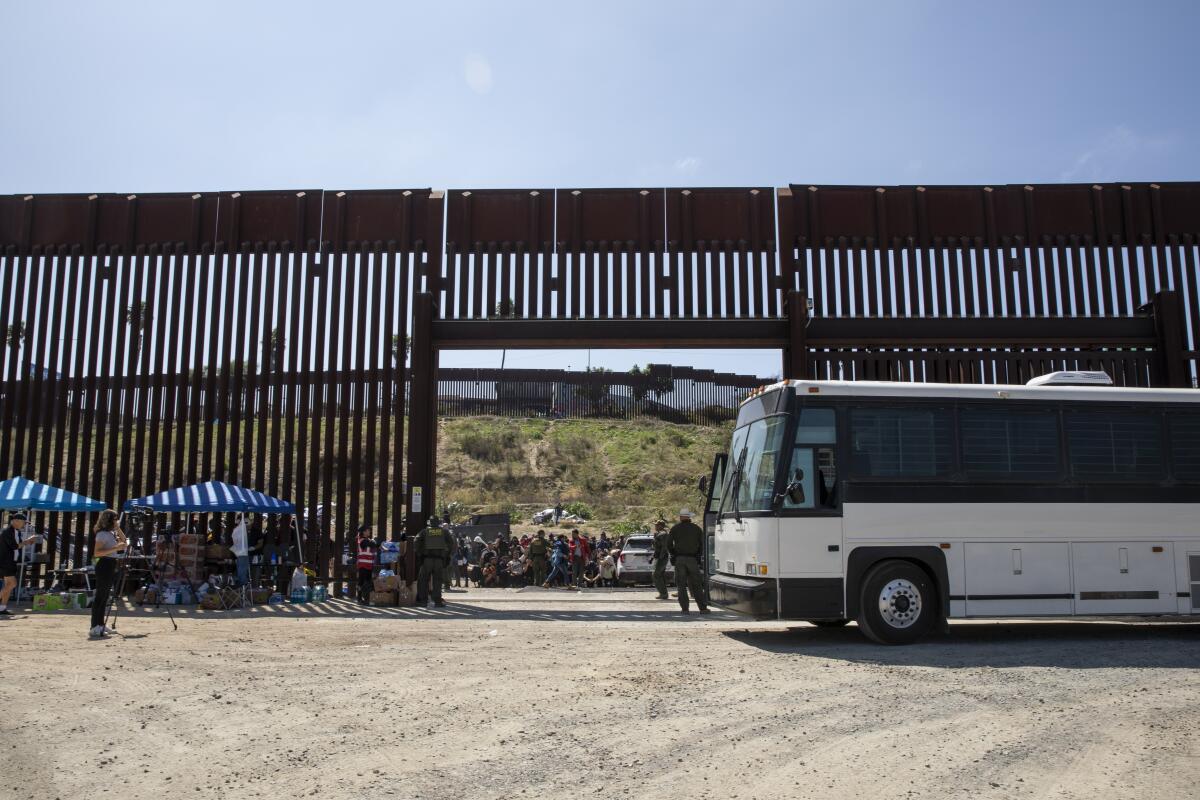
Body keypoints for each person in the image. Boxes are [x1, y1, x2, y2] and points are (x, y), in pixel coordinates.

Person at [89, 509, 128, 638]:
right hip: (103, 564)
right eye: (115, 519)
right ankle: (94, 626)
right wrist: (116, 548)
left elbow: (125, 541)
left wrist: (118, 528)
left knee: (106, 596)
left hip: (111, 563)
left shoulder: (111, 533)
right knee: (100, 596)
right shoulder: (101, 534)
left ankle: (101, 624)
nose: (116, 521)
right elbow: (97, 553)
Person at [667, 509, 708, 614]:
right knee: (697, 585)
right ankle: (702, 608)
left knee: (681, 586)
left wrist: (673, 554)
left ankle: (685, 609)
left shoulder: (675, 528)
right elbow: (702, 544)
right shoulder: (696, 529)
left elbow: (669, 544)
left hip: (679, 559)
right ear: (689, 517)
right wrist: (698, 555)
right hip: (693, 559)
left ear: (681, 517)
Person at [0, 513, 42, 616]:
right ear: (16, 521)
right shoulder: (8, 532)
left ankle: (2, 608)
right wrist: (28, 541)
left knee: (8, 585)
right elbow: (15, 546)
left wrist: (27, 542)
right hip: (5, 561)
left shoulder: (15, 532)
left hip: (9, 561)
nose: (24, 525)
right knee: (12, 584)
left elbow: (17, 545)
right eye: (23, 522)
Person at [414, 516, 449, 607]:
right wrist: (447, 555)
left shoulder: (425, 531)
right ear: (438, 522)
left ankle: (423, 601)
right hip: (439, 560)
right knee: (437, 581)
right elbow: (451, 543)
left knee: (423, 580)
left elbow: (416, 541)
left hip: (427, 560)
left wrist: (419, 553)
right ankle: (437, 601)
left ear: (429, 522)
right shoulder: (444, 532)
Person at [355, 524, 377, 605]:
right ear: (364, 532)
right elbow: (371, 544)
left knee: (368, 582)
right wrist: (377, 543)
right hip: (362, 565)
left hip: (369, 565)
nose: (369, 531)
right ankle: (359, 599)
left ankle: (366, 598)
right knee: (361, 582)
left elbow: (373, 545)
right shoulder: (362, 540)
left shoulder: (368, 540)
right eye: (368, 530)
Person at [651, 519, 670, 600]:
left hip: (661, 557)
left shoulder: (663, 534)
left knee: (656, 575)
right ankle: (663, 593)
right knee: (659, 575)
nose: (655, 526)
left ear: (661, 526)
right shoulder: (658, 534)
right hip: (658, 557)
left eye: (656, 525)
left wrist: (660, 557)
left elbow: (664, 547)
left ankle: (663, 593)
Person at [230, 513, 250, 586]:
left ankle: (241, 585)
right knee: (242, 572)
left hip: (240, 552)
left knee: (241, 570)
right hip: (242, 553)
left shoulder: (237, 529)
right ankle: (242, 586)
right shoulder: (240, 528)